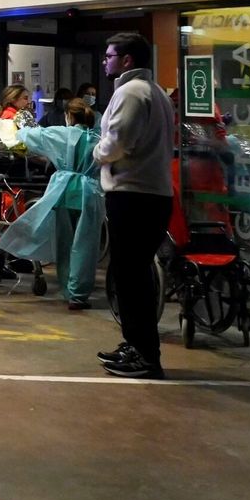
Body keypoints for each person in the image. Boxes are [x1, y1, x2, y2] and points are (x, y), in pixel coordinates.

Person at [93, 32, 175, 380]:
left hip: (133, 195)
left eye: (110, 55)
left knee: (131, 278)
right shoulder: (155, 92)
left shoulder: (131, 92)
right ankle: (136, 345)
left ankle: (144, 354)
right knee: (132, 276)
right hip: (150, 195)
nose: (105, 61)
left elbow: (115, 144)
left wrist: (96, 153)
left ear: (126, 60)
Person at [0, 99, 103, 309]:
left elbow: (29, 136)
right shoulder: (98, 138)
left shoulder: (61, 134)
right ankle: (79, 294)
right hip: (90, 194)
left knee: (65, 244)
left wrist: (14, 127)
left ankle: (67, 289)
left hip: (64, 192)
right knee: (86, 245)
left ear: (69, 117)